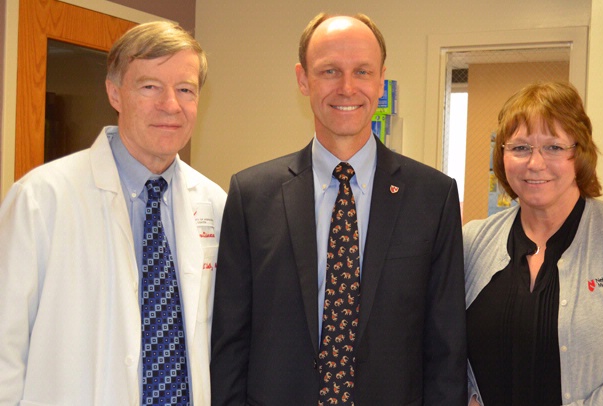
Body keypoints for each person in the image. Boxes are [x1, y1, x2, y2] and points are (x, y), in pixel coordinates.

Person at [210, 12, 467, 406]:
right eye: (329, 71)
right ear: (302, 79)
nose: (347, 88)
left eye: (362, 71)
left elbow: (446, 349)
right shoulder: (251, 195)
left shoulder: (433, 197)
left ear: (380, 79)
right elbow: (230, 342)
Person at [0, 21, 226, 405]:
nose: (170, 105)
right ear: (114, 92)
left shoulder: (214, 203)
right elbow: (5, 345)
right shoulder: (41, 199)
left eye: (185, 89)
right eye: (150, 86)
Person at [463, 81, 603, 405]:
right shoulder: (472, 241)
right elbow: (442, 343)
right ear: (502, 156)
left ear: (578, 153)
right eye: (520, 147)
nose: (535, 163)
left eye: (554, 147)